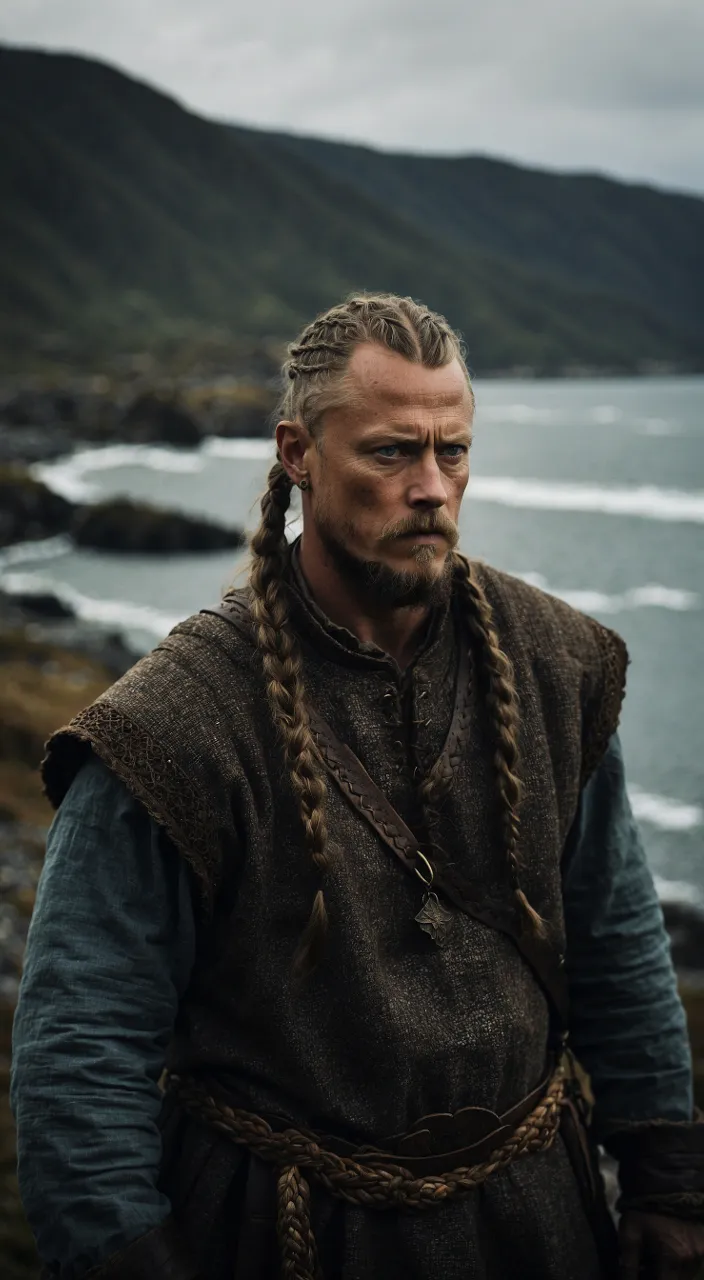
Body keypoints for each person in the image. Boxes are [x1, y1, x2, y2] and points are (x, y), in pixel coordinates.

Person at [11, 293, 704, 1280]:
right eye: (390, 452)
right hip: (274, 1233)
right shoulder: (170, 728)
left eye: (451, 450)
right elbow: (81, 1052)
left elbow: (618, 937)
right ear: (297, 452)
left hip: (536, 1219)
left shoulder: (555, 661)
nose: (430, 485)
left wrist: (667, 1177)